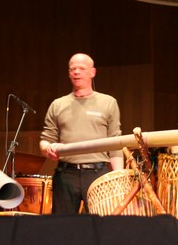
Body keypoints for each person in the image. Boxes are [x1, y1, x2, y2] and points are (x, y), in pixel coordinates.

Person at [39, 53, 124, 214]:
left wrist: (118, 178)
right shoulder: (58, 105)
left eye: (81, 68)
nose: (76, 72)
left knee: (101, 225)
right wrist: (47, 149)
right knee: (63, 227)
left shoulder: (108, 102)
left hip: (98, 174)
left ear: (92, 72)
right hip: (65, 174)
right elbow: (45, 140)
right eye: (73, 69)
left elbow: (115, 142)